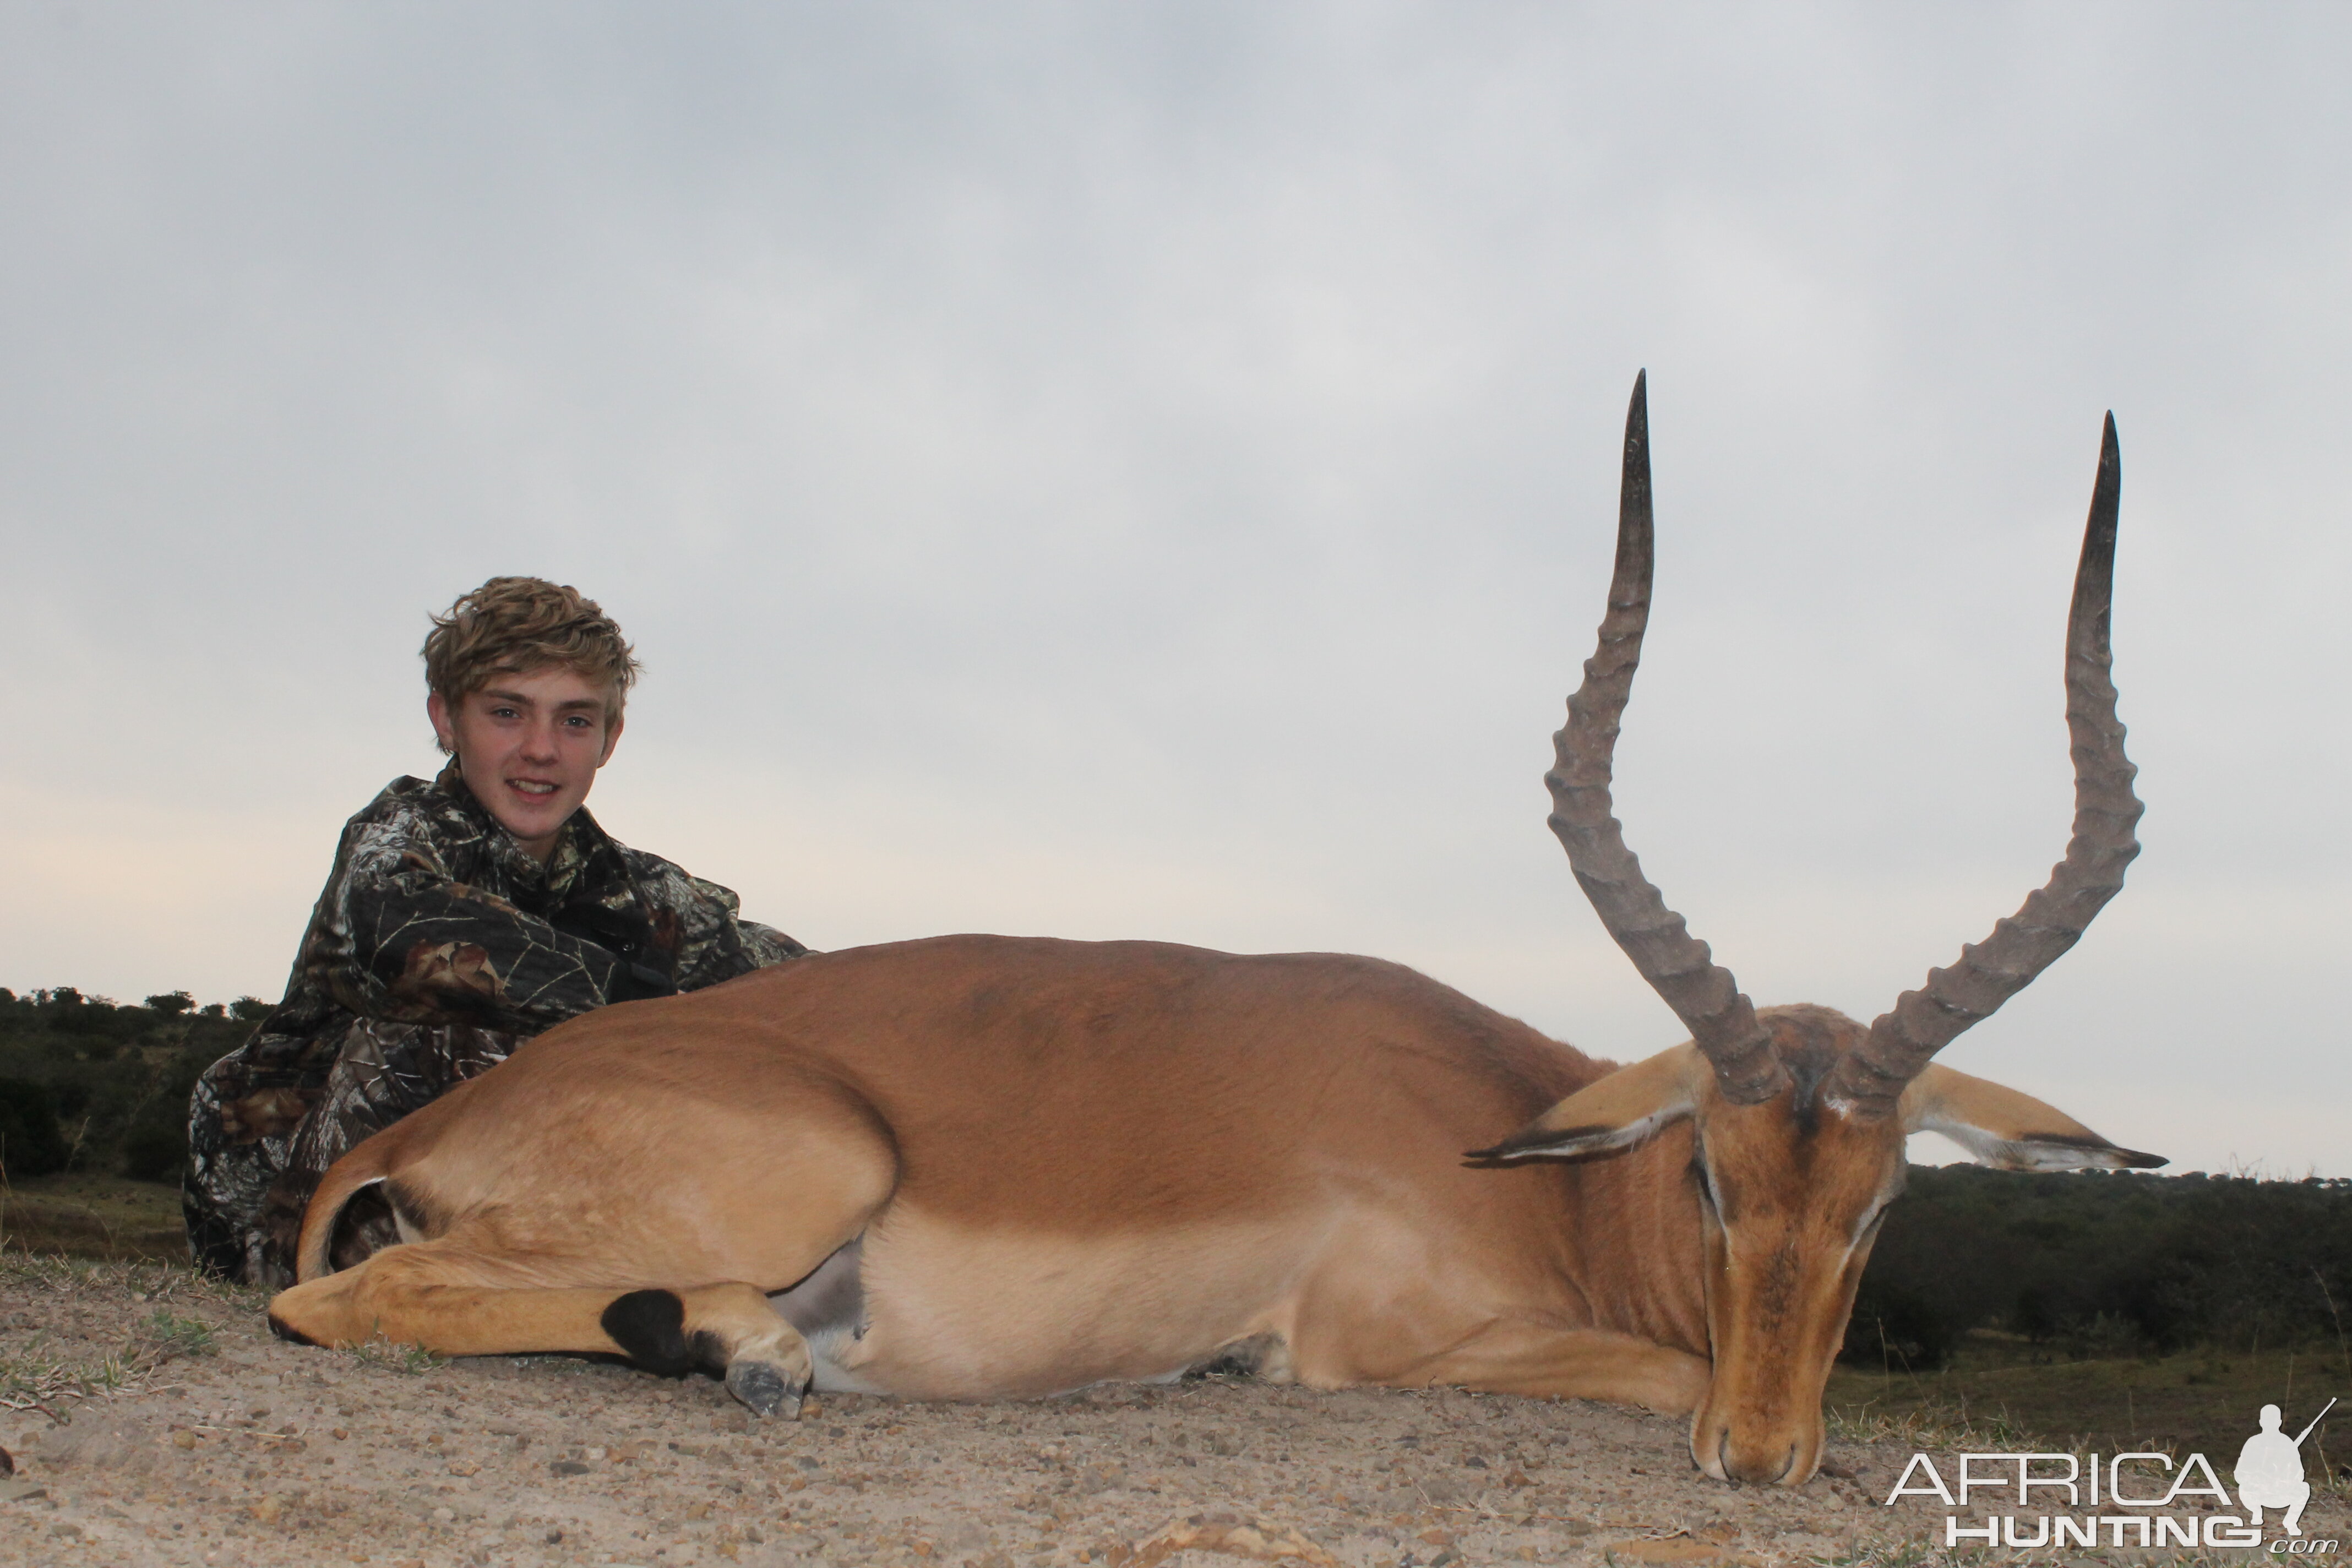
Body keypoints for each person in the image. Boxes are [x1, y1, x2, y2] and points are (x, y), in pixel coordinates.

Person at [185, 578, 806, 1286]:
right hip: (292, 1216)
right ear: (446, 719)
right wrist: (640, 1006)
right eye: (507, 713)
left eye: (575, 721)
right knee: (450, 1031)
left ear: (610, 739)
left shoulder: (647, 895)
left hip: (507, 1216)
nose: (541, 749)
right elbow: (394, 934)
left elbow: (796, 985)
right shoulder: (397, 843)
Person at [2234, 1402, 2313, 1536]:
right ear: (2261, 1422)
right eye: (2267, 1421)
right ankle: (2256, 1511)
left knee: (2304, 1488)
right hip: (2258, 1493)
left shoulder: (2287, 1443)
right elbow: (2239, 1474)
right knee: (2244, 1488)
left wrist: (2284, 1477)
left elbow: (2299, 1474)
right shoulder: (2253, 1443)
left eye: (2273, 1421)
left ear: (2279, 1422)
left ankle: (2291, 1522)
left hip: (2281, 1493)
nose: (2270, 1424)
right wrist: (2256, 1476)